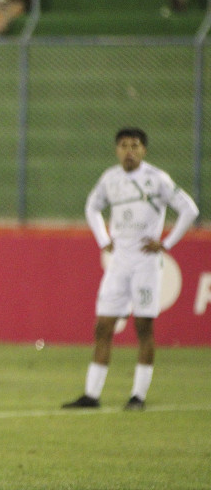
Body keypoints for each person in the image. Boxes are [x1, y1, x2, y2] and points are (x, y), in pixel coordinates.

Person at [62, 127, 199, 411]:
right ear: (117, 150)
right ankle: (91, 395)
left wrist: (166, 243)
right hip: (118, 263)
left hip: (146, 264)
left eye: (135, 146)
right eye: (124, 145)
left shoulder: (156, 179)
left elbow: (189, 209)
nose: (129, 151)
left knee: (143, 326)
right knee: (103, 326)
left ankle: (137, 396)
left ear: (143, 150)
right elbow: (92, 206)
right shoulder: (110, 179)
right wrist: (104, 240)